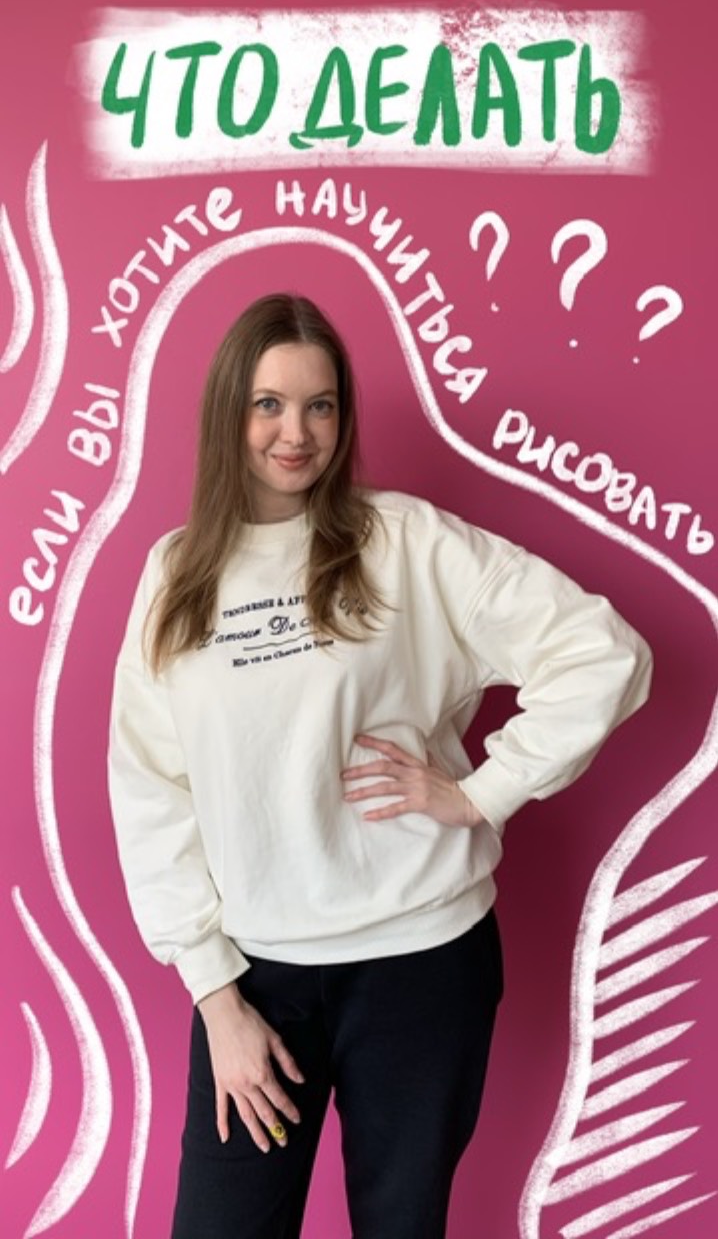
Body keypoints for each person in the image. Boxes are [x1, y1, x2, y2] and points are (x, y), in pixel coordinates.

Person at [108, 292, 652, 1239]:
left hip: (421, 963)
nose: (296, 433)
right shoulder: (177, 573)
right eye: (269, 404)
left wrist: (483, 791)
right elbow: (150, 787)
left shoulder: (404, 541)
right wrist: (215, 995)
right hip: (258, 977)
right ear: (228, 410)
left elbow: (604, 654)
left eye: (320, 405)